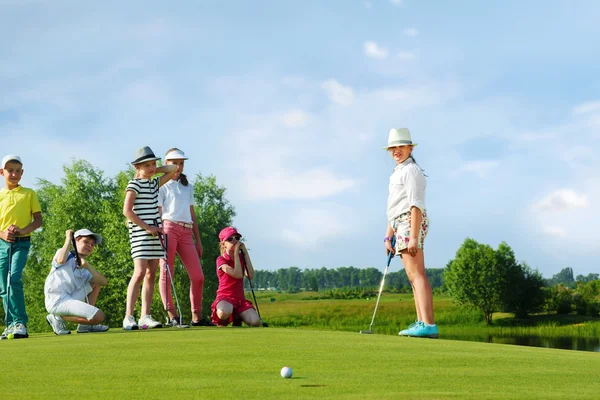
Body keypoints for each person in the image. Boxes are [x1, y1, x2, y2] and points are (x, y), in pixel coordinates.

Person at [384, 128, 438, 338]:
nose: (396, 151)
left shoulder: (411, 171)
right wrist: (389, 235)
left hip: (410, 221)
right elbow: (395, 207)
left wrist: (413, 236)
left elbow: (415, 205)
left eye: (400, 146)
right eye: (393, 148)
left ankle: (428, 324)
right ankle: (421, 322)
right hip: (400, 222)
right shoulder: (398, 171)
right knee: (411, 276)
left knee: (417, 274)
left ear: (410, 148)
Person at [122, 146, 176, 330]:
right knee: (139, 273)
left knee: (151, 274)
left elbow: (173, 169)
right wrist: (147, 228)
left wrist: (153, 170)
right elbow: (127, 212)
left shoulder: (153, 183)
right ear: (137, 167)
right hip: (140, 234)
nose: (152, 167)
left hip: (155, 233)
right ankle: (129, 316)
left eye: (153, 163)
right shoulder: (133, 184)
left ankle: (145, 315)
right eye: (147, 165)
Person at [158, 148, 213, 326]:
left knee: (198, 276)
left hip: (187, 232)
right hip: (168, 229)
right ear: (166, 164)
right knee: (167, 272)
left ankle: (196, 317)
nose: (179, 166)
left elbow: (192, 214)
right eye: (174, 163)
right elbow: (159, 213)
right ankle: (172, 314)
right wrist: (158, 235)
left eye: (181, 163)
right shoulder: (161, 185)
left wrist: (198, 240)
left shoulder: (187, 186)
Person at [0, 154, 43, 340]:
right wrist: (3, 234)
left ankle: (20, 323)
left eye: (18, 171)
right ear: (2, 172)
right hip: (2, 243)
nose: (14, 174)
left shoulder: (29, 193)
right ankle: (10, 324)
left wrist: (21, 230)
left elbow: (38, 220)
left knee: (14, 279)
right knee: (3, 286)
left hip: (22, 243)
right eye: (10, 170)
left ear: (22, 173)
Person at [44, 229, 109, 335]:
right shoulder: (63, 253)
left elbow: (104, 282)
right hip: (56, 300)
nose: (90, 246)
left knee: (95, 283)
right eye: (86, 242)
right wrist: (68, 239)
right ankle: (57, 316)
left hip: (70, 298)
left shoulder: (84, 268)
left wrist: (87, 266)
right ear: (76, 241)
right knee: (99, 316)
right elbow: (61, 260)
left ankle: (84, 326)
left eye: (92, 244)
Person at [211, 227, 260, 327]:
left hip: (240, 299)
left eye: (237, 238)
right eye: (230, 239)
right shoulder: (221, 260)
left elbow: (250, 275)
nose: (235, 241)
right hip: (225, 297)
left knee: (255, 322)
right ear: (223, 244)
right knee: (223, 313)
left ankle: (238, 315)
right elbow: (237, 274)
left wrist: (245, 254)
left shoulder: (242, 258)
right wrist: (237, 255)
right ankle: (225, 321)